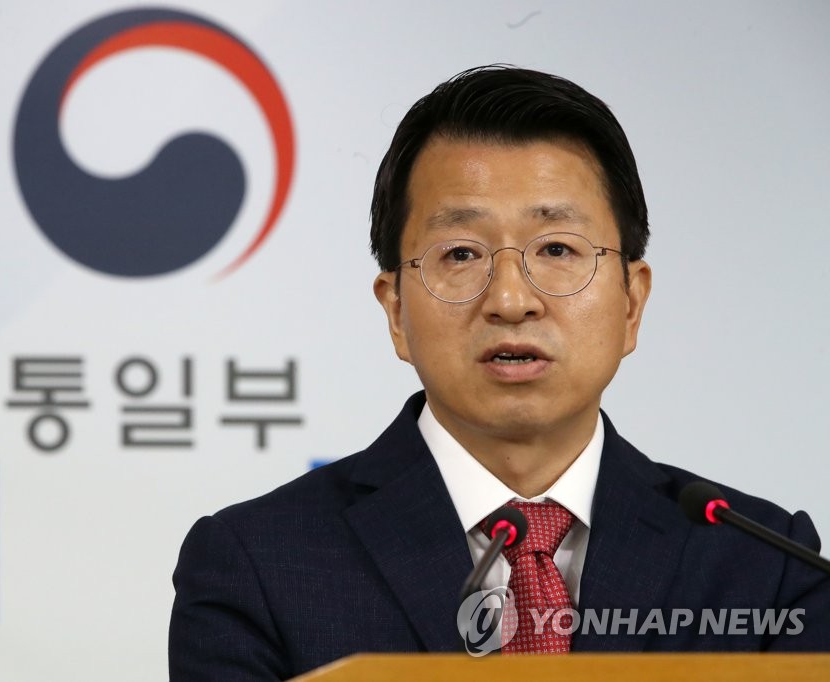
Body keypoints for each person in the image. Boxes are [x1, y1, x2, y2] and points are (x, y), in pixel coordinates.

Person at [168, 65, 830, 680]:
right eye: (461, 253)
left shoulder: (765, 563)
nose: (512, 300)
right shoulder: (257, 564)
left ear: (631, 303)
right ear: (396, 310)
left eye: (558, 248)